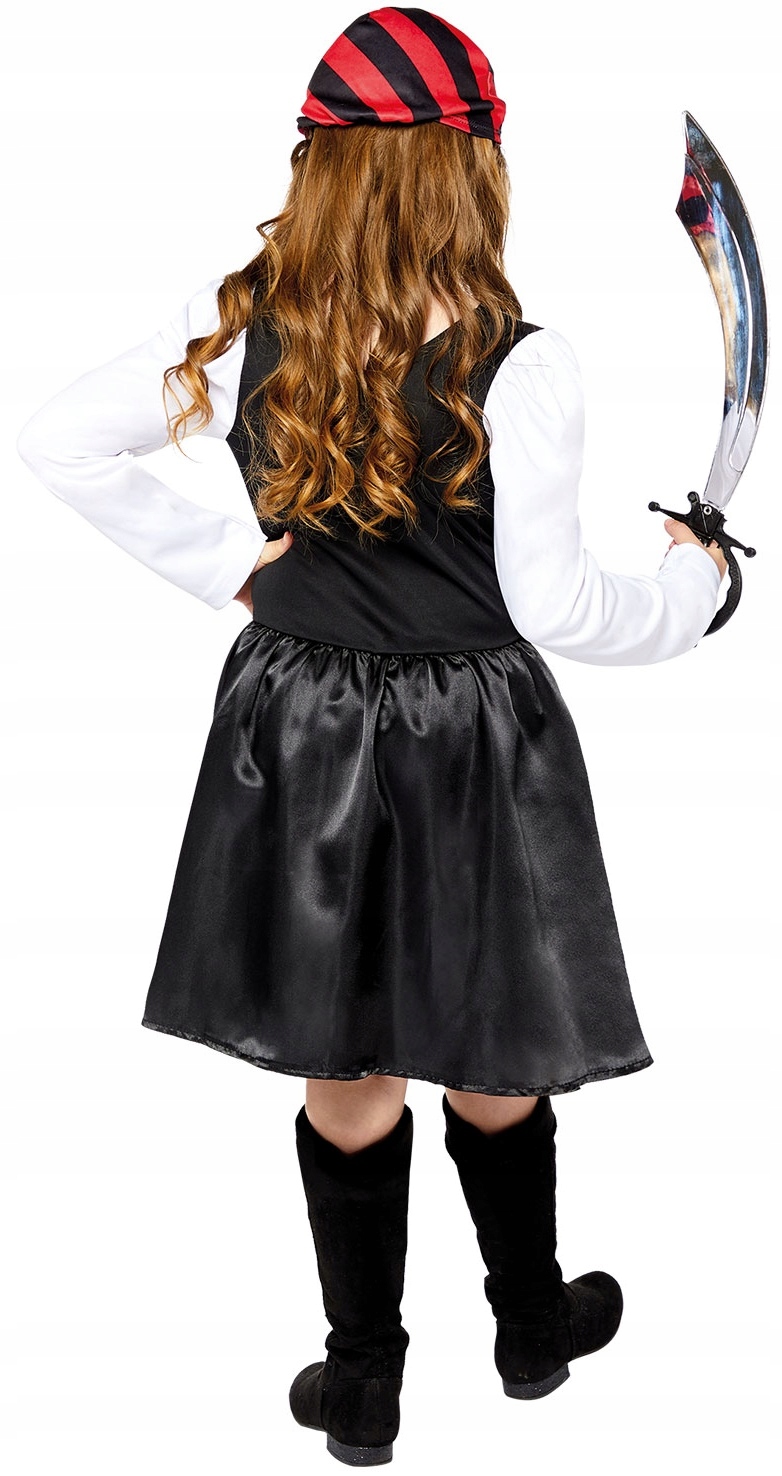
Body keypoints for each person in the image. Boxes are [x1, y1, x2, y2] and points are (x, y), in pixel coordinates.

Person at [16, 6, 728, 1466]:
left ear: (321, 165)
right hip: (471, 736)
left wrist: (233, 569)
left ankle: (363, 1378)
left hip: (301, 724)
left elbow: (61, 435)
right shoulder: (521, 363)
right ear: (474, 173)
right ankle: (528, 1328)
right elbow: (559, 606)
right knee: (491, 1027)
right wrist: (693, 594)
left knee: (342, 1051)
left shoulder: (239, 319)